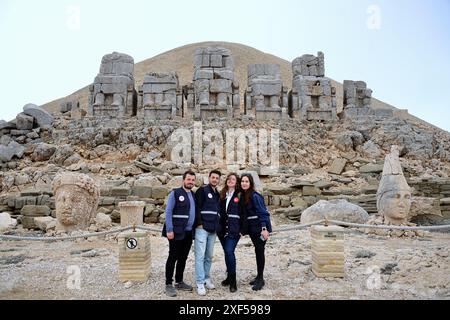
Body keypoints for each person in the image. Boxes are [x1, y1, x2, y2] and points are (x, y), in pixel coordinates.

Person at [162, 170, 197, 297]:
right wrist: (169, 230)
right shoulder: (175, 193)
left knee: (183, 258)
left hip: (188, 232)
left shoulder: (193, 194)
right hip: (176, 231)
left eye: (193, 180)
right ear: (183, 180)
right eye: (189, 179)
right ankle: (168, 284)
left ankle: (179, 281)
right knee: (173, 257)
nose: (191, 182)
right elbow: (168, 212)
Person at [240, 173, 272, 291]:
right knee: (257, 251)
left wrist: (264, 229)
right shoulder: (244, 195)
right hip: (253, 229)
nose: (244, 183)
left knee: (259, 252)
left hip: (259, 229)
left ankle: (261, 279)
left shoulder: (255, 196)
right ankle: (258, 276)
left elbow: (263, 212)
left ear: (251, 183)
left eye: (246, 181)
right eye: (242, 181)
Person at [194, 170, 221, 296]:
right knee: (200, 256)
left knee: (209, 256)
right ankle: (199, 283)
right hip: (202, 228)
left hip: (212, 230)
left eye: (217, 178)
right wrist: (199, 223)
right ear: (209, 178)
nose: (215, 179)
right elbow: (197, 207)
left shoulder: (217, 193)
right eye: (213, 177)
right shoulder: (202, 190)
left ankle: (206, 278)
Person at [217, 173, 244, 293]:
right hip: (222, 230)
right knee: (227, 253)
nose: (230, 180)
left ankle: (233, 282)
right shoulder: (222, 194)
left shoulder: (240, 195)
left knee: (229, 251)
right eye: (229, 179)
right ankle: (228, 277)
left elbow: (244, 213)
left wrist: (243, 229)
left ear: (236, 182)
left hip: (234, 229)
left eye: (233, 179)